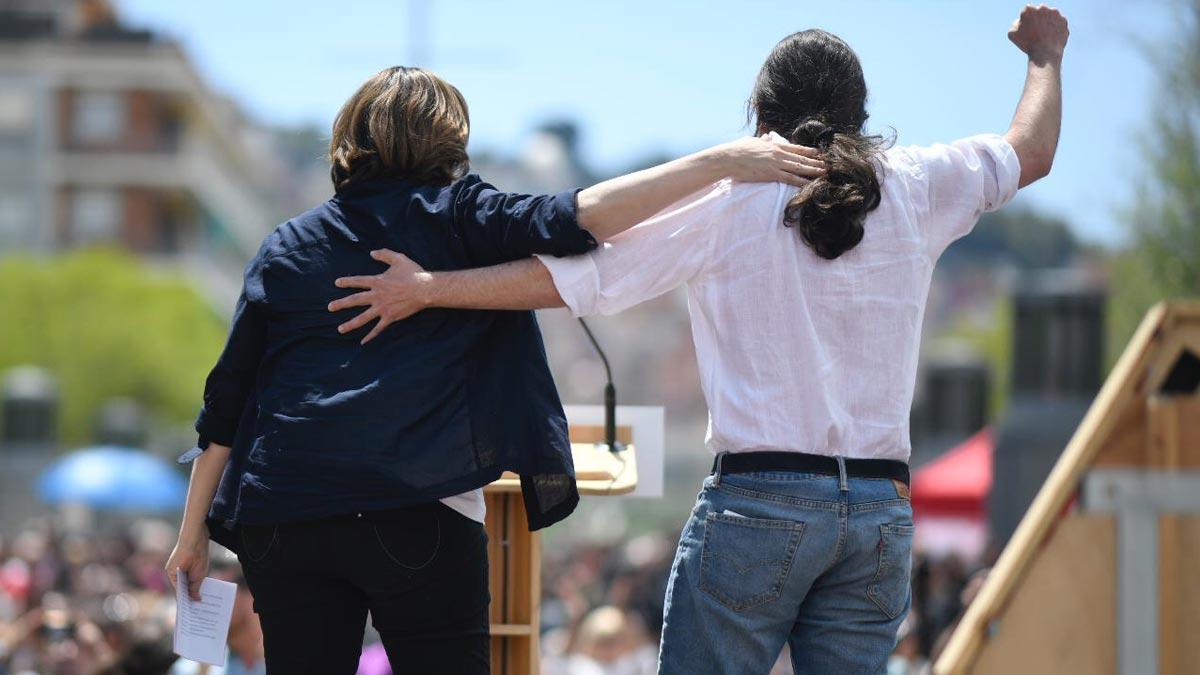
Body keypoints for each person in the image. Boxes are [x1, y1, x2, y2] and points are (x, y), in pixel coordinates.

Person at [328, 5, 1068, 673]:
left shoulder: (728, 201)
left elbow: (569, 280)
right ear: (859, 110)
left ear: (760, 113)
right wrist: (1045, 55)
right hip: (878, 505)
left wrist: (431, 289)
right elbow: (1028, 151)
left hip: (761, 498)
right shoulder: (918, 183)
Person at [164, 66, 822, 675]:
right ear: (447, 139)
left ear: (348, 140)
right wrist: (724, 161)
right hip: (415, 508)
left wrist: (192, 535)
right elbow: (582, 217)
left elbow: (224, 405)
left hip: (287, 513)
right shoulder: (458, 215)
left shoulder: (286, 246)